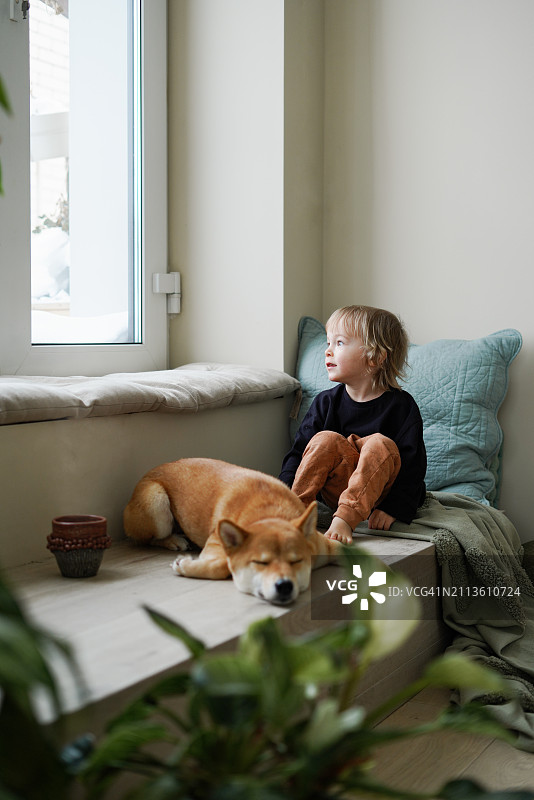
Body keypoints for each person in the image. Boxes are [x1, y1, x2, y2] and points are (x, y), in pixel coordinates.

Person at [279, 305, 427, 544]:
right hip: (335, 492)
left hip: (380, 494)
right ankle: (294, 514)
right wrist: (282, 493)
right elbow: (299, 454)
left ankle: (345, 520)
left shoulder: (402, 406)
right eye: (328, 343)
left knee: (379, 443)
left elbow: (413, 466)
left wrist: (393, 508)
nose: (327, 351)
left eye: (339, 343)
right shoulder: (325, 402)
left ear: (376, 357)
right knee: (324, 439)